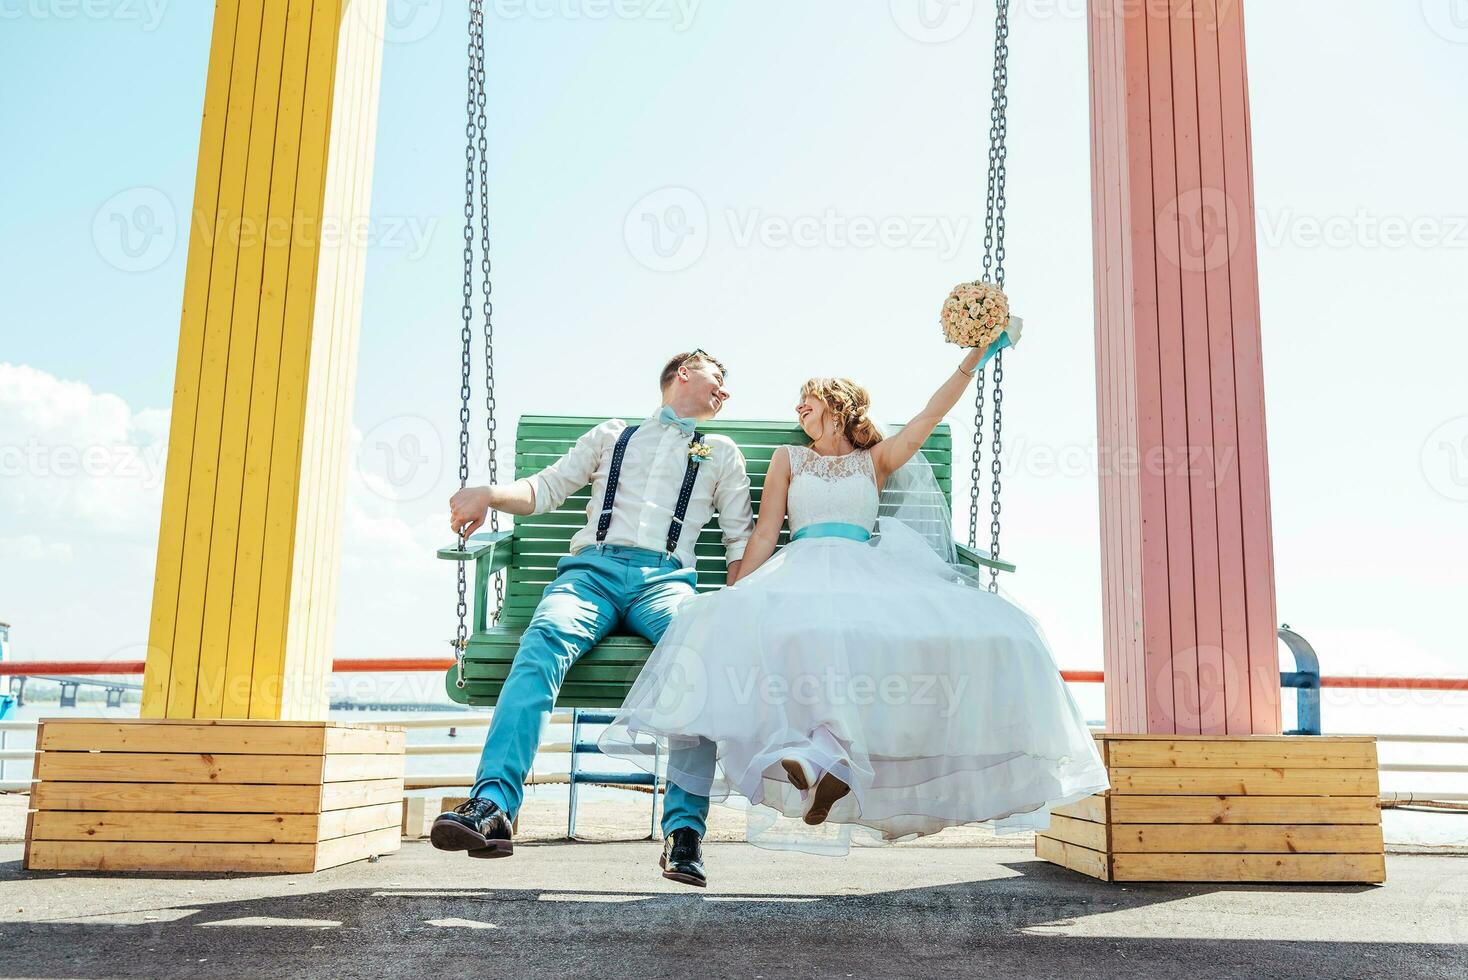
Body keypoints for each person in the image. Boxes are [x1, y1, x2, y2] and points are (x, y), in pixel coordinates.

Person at [600, 337, 1110, 856]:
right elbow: (763, 534)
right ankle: (820, 756)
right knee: (812, 631)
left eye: (809, 397)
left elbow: (931, 413)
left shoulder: (878, 460)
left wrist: (972, 360)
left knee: (962, 634)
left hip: (864, 570)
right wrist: (735, 593)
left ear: (838, 404)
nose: (798, 407)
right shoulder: (788, 458)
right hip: (799, 567)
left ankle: (822, 756)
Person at [432, 350, 753, 888]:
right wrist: (488, 493)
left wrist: (731, 607)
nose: (726, 391)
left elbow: (740, 540)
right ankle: (491, 806)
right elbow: (546, 488)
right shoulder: (612, 436)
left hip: (666, 582)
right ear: (683, 373)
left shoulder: (721, 452)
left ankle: (684, 834)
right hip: (590, 576)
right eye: (719, 378)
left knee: (699, 660)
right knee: (543, 640)